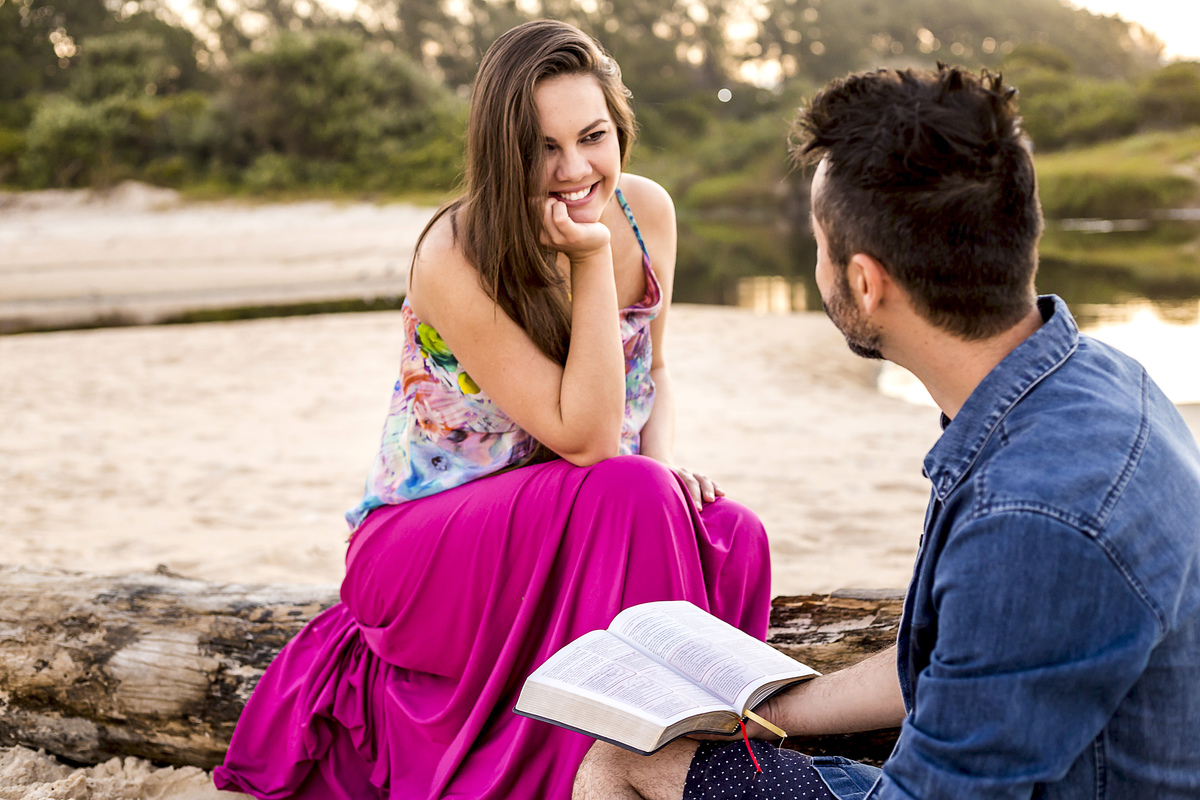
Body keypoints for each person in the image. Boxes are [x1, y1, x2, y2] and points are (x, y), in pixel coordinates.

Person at [572, 65, 1200, 800]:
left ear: (865, 283)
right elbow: (943, 663)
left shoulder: (1031, 517)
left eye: (818, 244)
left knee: (620, 763)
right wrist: (764, 711)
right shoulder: (1080, 381)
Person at [212, 19, 771, 800]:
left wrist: (668, 465)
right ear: (502, 151)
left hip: (571, 511)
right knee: (632, 491)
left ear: (621, 129)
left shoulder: (647, 212)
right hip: (424, 540)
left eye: (594, 136)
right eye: (544, 147)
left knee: (732, 533)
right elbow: (587, 440)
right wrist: (585, 261)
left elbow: (657, 373)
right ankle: (605, 773)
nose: (575, 168)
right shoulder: (453, 253)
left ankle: (672, 763)